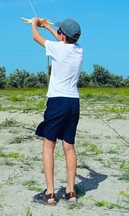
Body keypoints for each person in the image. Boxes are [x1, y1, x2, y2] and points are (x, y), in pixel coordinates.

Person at [30, 17, 83, 206]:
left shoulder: (58, 48)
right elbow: (62, 41)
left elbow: (36, 37)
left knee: (49, 144)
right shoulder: (79, 50)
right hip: (73, 103)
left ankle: (50, 194)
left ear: (63, 35)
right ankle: (70, 192)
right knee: (69, 146)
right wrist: (50, 27)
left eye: (59, 31)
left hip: (57, 102)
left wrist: (36, 23)